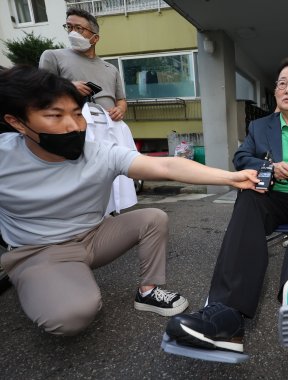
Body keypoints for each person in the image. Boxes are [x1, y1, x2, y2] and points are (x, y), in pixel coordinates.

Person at [0, 66, 259, 336]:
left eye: (77, 114)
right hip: (39, 250)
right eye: (55, 115)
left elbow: (167, 167)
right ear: (17, 122)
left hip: (94, 235)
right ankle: (37, 280)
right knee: (72, 316)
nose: (73, 126)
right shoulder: (4, 156)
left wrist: (231, 178)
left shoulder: (99, 153)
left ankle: (149, 291)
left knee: (152, 218)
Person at [165, 58, 288, 353]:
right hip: (272, 197)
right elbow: (242, 159)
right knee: (247, 197)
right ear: (275, 92)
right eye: (282, 83)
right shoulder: (260, 126)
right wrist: (270, 167)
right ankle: (226, 315)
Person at [40, 7, 136, 214]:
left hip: (110, 129)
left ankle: (111, 218)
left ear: (95, 38)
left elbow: (121, 100)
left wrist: (120, 109)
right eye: (69, 27)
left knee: (113, 176)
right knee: (84, 181)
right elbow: (39, 91)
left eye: (79, 28)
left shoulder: (110, 68)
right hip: (76, 129)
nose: (72, 32)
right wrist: (69, 87)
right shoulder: (53, 56)